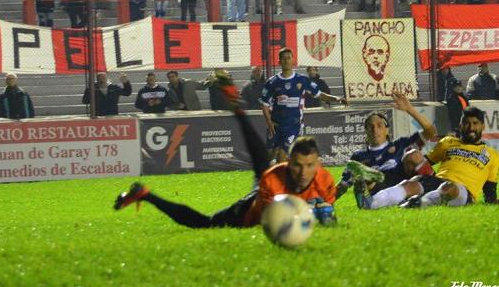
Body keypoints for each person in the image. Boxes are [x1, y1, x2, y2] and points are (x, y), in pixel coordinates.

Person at [114, 87, 337, 229]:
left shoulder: (325, 181)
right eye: (297, 165)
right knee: (205, 223)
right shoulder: (273, 179)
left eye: (310, 166)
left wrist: (326, 217)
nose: (303, 172)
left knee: (261, 164)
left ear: (318, 165)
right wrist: (312, 214)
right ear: (288, 164)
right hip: (249, 212)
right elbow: (274, 223)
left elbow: (327, 217)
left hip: (276, 189)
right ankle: (145, 194)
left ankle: (238, 111)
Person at [348, 106, 499, 209]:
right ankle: (370, 204)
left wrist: (496, 202)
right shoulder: (448, 142)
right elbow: (425, 163)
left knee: (448, 188)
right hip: (438, 180)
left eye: (475, 123)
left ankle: (418, 203)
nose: (470, 127)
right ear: (460, 125)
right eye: (466, 123)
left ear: (483, 126)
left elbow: (489, 191)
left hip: (462, 191)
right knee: (410, 184)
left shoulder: (493, 155)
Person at [335, 92, 437, 204]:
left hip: (401, 187)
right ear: (366, 130)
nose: (375, 130)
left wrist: (410, 109)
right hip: (377, 192)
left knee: (414, 155)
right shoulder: (359, 156)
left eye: (379, 125)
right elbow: (343, 185)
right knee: (360, 174)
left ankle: (436, 190)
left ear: (387, 129)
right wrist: (324, 202)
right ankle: (369, 184)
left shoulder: (401, 144)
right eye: (371, 126)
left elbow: (431, 132)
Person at [261, 48, 347, 153]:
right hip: (275, 126)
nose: (286, 61)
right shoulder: (272, 82)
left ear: (293, 60)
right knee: (270, 155)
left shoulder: (302, 80)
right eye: (283, 58)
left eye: (288, 58)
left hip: (293, 126)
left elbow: (319, 94)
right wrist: (269, 122)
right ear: (279, 62)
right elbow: (264, 104)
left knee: (282, 155)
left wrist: (337, 98)